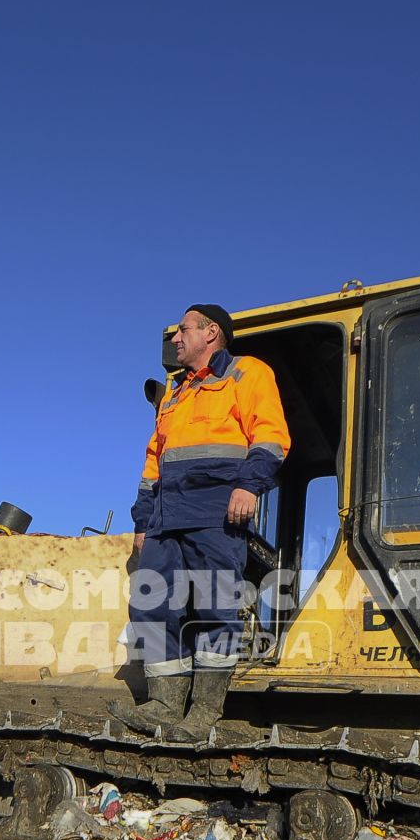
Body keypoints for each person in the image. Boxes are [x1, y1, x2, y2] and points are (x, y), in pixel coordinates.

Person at [114, 303, 290, 741]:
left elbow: (270, 435)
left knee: (215, 605)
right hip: (164, 518)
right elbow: (154, 462)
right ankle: (165, 704)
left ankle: (204, 711)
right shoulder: (175, 393)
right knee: (150, 606)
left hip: (217, 511)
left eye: (183, 330)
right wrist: (142, 520)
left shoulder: (247, 373)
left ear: (212, 332)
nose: (176, 338)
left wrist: (249, 486)